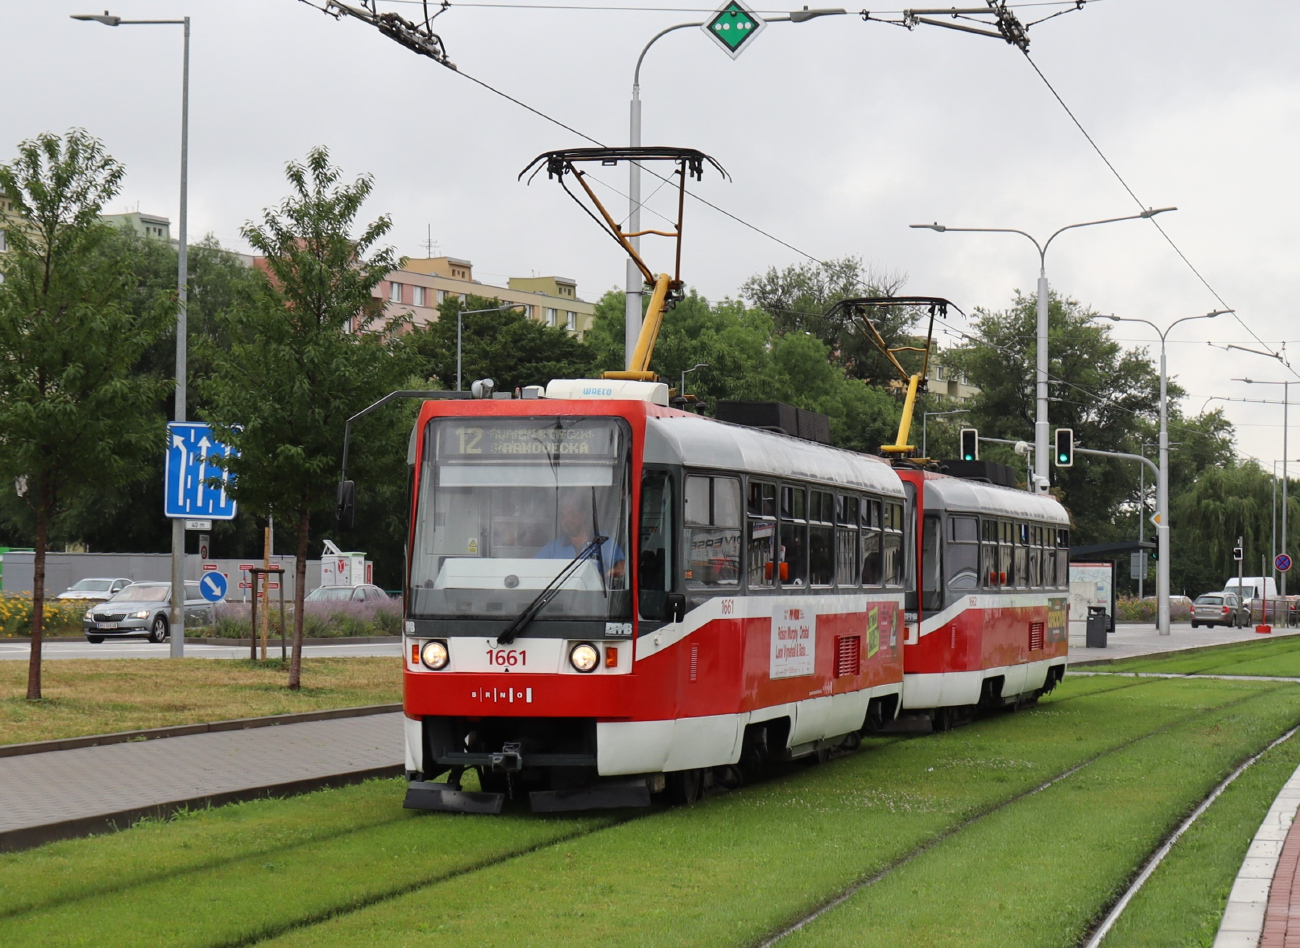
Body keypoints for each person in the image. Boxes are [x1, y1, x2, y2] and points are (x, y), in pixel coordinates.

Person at [536, 492, 625, 579]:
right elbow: (533, 569)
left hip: (596, 593)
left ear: (584, 516)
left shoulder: (602, 541)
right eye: (562, 515)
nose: (566, 520)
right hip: (557, 594)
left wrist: (604, 577)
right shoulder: (553, 547)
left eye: (571, 514)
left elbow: (622, 568)